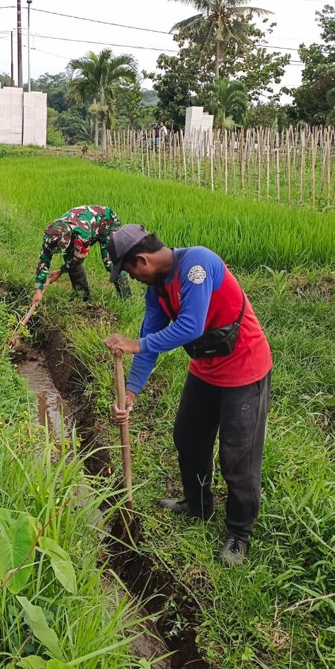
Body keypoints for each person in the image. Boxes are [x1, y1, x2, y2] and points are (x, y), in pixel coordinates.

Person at [103, 225, 273, 565]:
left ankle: (239, 534)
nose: (132, 279)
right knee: (189, 438)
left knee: (237, 457)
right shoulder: (158, 289)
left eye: (130, 271)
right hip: (206, 369)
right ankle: (198, 506)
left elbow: (191, 326)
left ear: (142, 260)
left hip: (244, 370)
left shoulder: (196, 264)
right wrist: (132, 392)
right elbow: (149, 339)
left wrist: (134, 345)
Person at [31, 205, 131, 309]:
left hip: (108, 224)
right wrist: (38, 291)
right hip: (89, 225)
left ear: (68, 236)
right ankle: (84, 298)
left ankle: (126, 299)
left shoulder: (82, 233)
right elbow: (43, 261)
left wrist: (60, 271)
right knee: (69, 255)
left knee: (110, 262)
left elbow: (77, 259)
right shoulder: (50, 236)